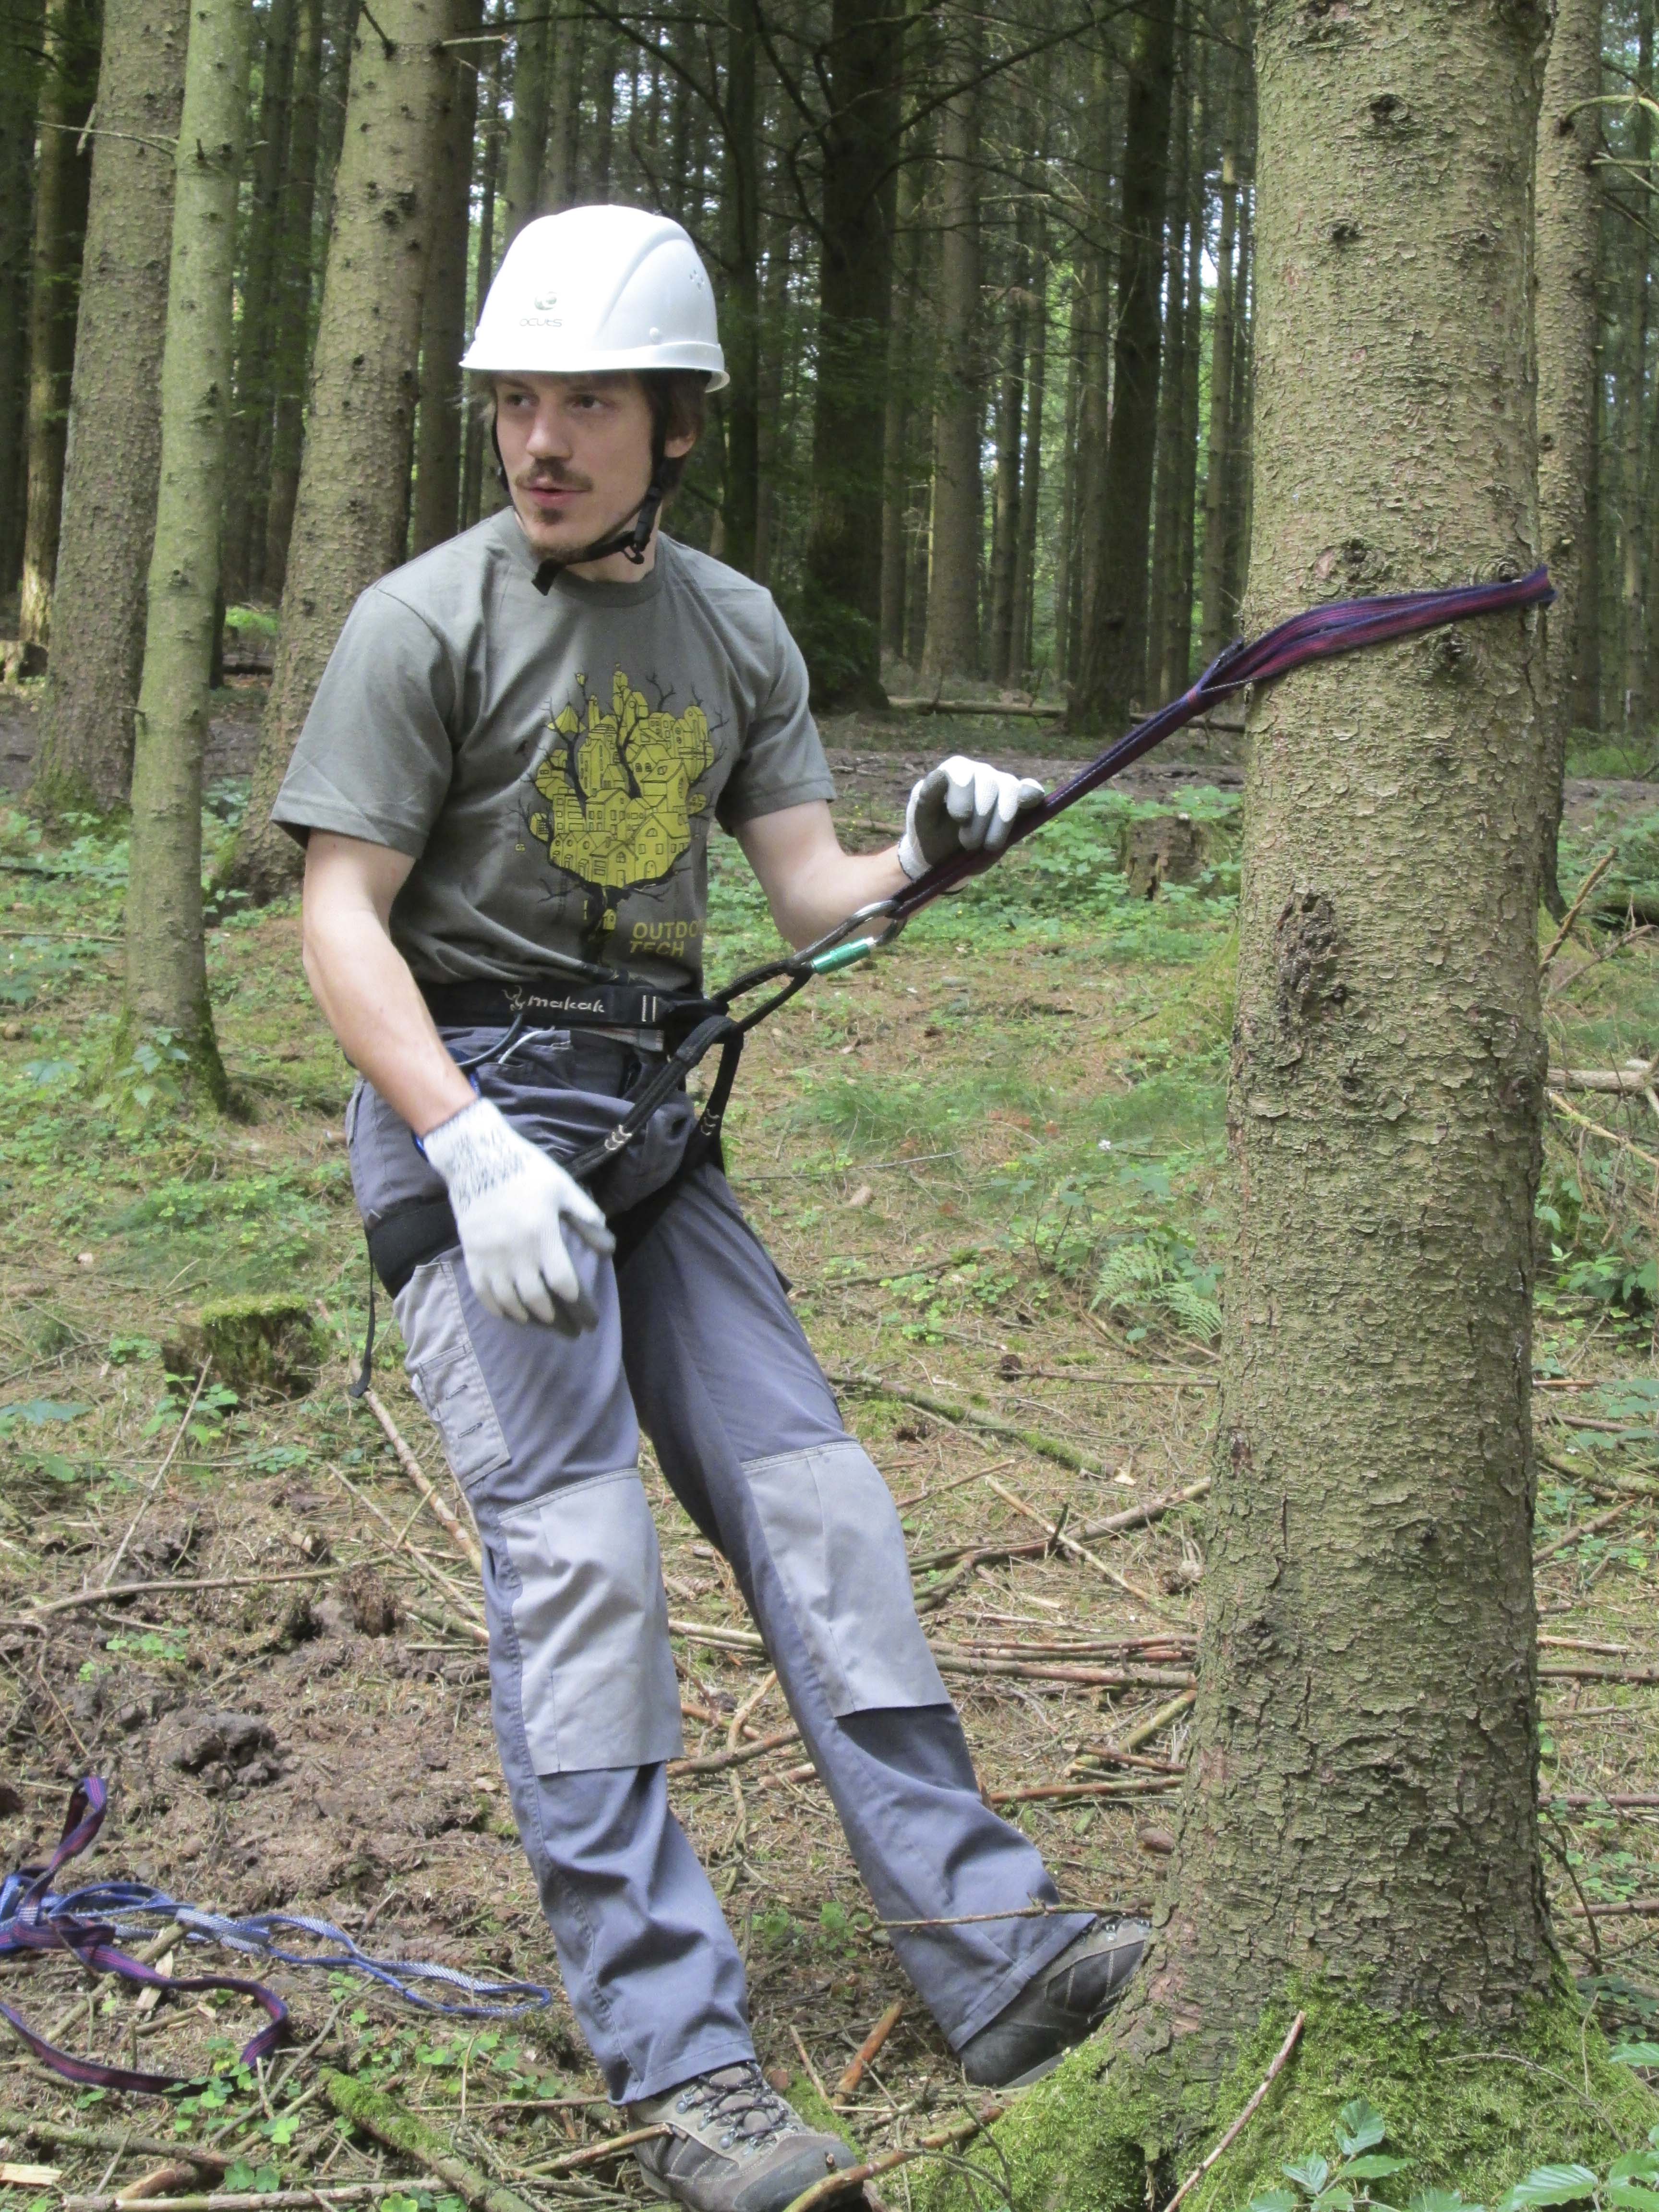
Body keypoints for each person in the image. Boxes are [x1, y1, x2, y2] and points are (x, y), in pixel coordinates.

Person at [274, 205, 1147, 2212]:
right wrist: (464, 1146)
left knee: (820, 1503)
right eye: (517, 399)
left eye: (587, 401)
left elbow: (806, 895)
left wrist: (925, 849)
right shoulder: (426, 623)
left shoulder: (737, 630)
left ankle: (996, 1952)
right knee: (583, 1560)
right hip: (473, 1112)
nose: (540, 438)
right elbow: (340, 916)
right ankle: (686, 2070)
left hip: (655, 1123)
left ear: (678, 426)